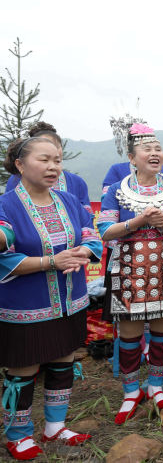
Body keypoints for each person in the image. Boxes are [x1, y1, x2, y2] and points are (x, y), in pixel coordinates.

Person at [0, 137, 102, 460]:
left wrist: (82, 251)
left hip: (70, 301)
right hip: (26, 306)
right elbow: (5, 250)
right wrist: (51, 262)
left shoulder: (69, 201)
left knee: (63, 359)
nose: (53, 167)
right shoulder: (7, 205)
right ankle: (17, 434)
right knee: (24, 368)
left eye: (57, 160)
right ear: (19, 164)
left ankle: (54, 426)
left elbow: (91, 234)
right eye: (44, 160)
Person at [97, 123, 163, 425]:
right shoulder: (117, 190)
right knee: (130, 334)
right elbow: (105, 231)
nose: (155, 154)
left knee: (162, 332)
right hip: (129, 269)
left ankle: (155, 386)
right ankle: (130, 392)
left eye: (158, 149)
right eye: (147, 150)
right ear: (132, 157)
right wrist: (139, 220)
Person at [5, 122, 92, 214]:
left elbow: (86, 218)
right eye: (44, 160)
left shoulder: (76, 184)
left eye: (55, 146)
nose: (50, 149)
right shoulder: (15, 181)